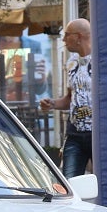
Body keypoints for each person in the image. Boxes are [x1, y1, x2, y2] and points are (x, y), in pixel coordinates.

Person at [40, 18, 93, 178]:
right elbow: (71, 98)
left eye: (67, 35)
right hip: (74, 133)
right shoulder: (71, 62)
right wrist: (53, 104)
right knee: (70, 182)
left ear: (78, 36)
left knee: (104, 181)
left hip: (98, 132)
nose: (63, 39)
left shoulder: (101, 59)